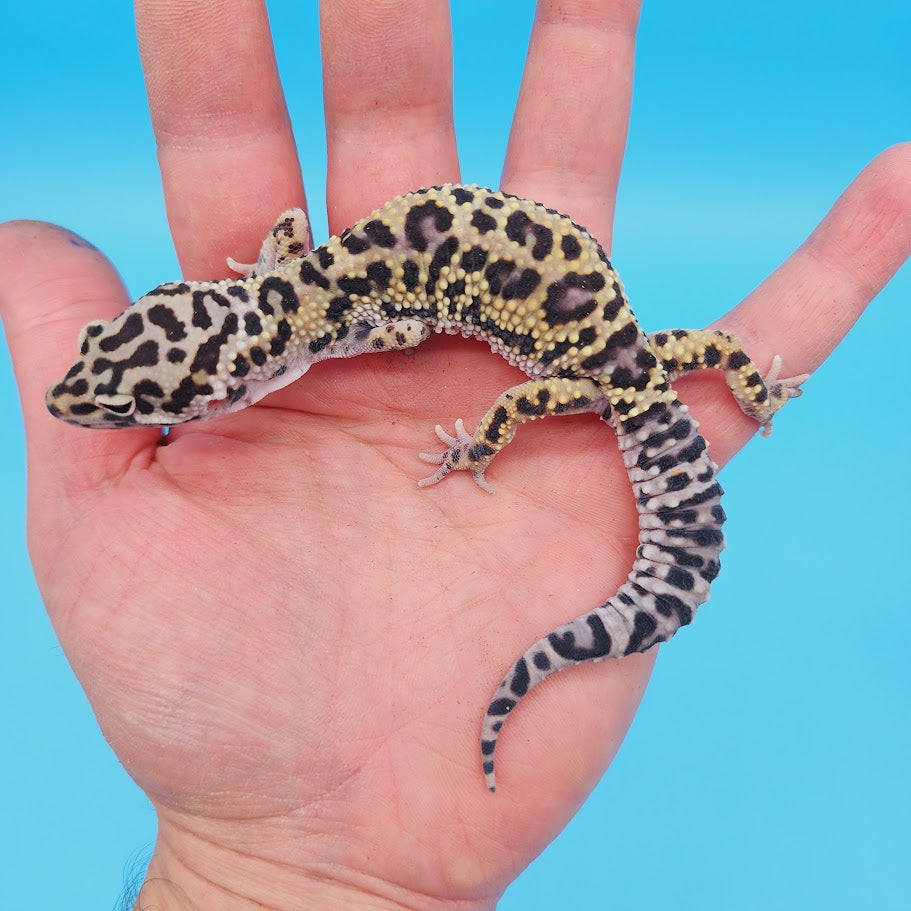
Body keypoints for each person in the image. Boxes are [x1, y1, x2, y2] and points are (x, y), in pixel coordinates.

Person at [1, 1, 908, 908]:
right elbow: (295, 245)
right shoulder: (297, 286)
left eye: (123, 399)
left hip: (576, 358)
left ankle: (533, 459)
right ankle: (754, 392)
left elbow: (396, 315)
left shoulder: (335, 323)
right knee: (692, 350)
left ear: (225, 384)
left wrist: (476, 437)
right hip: (583, 323)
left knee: (511, 390)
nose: (95, 409)